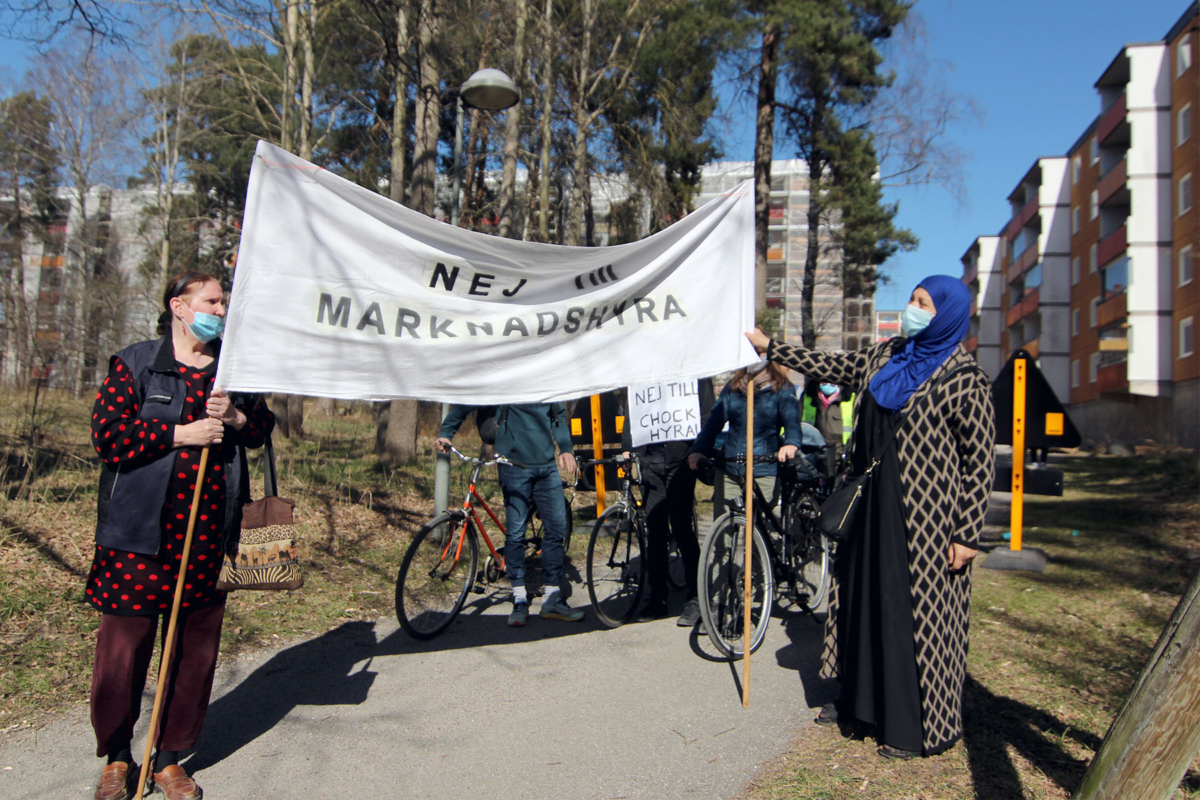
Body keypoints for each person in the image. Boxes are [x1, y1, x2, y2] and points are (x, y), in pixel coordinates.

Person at [745, 274, 995, 761]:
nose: (912, 308)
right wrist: (771, 346)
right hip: (868, 506)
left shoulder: (966, 379)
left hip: (924, 521)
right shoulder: (887, 355)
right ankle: (858, 703)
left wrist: (967, 533)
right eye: (912, 299)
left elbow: (980, 463)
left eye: (923, 303)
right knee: (859, 601)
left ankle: (910, 722)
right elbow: (831, 363)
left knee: (909, 614)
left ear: (945, 313)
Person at [88, 271, 274, 800]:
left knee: (193, 654)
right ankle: (119, 757)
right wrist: (179, 434)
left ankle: (169, 759)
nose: (222, 308)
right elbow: (109, 437)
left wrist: (237, 416)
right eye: (213, 300)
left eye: (226, 301)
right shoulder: (137, 363)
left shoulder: (233, 369)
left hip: (209, 540)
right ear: (180, 305)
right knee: (122, 655)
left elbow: (262, 430)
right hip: (137, 540)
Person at [436, 403, 581, 627]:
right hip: (513, 466)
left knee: (556, 529)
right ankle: (520, 599)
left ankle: (552, 599)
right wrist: (446, 434)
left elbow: (558, 415)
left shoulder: (545, 374)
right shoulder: (505, 373)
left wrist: (566, 447)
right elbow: (467, 401)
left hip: (546, 466)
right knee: (515, 533)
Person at [619, 379, 716, 627]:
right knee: (655, 531)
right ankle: (658, 596)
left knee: (682, 526)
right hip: (649, 461)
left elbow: (706, 412)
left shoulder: (693, 368)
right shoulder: (644, 366)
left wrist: (699, 449)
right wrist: (628, 447)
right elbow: (633, 405)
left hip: (681, 459)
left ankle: (696, 596)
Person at [686, 362, 802, 551]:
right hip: (731, 469)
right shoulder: (733, 388)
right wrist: (699, 450)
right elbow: (713, 423)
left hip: (763, 469)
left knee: (759, 540)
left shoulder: (782, 388)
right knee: (722, 539)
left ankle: (761, 578)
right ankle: (719, 580)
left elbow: (791, 419)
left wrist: (791, 443)